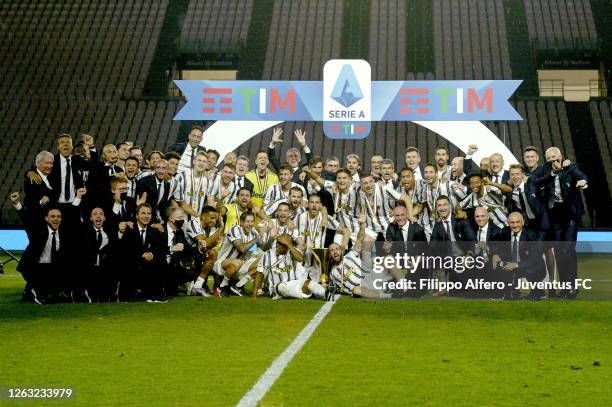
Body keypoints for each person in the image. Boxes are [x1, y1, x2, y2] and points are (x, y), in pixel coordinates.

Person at [542, 147, 588, 299]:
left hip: (570, 214)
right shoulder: (546, 171)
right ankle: (564, 288)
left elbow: (581, 176)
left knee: (568, 248)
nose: (552, 159)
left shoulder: (570, 167)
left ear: (560, 156)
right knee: (559, 250)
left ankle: (572, 288)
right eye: (548, 157)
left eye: (554, 156)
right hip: (554, 214)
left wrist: (583, 182)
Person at [254, 234, 331, 300]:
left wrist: (289, 245)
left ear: (287, 245)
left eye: (281, 243)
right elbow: (260, 272)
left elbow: (300, 259)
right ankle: (307, 293)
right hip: (277, 286)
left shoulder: (293, 251)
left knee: (308, 282)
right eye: (277, 242)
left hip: (294, 282)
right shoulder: (268, 254)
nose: (277, 245)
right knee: (282, 287)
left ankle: (325, 293)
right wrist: (254, 292)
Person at [492, 212, 546, 300]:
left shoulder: (531, 234)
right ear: (508, 223)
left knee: (532, 269)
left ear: (523, 223)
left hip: (529, 265)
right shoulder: (504, 232)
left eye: (518, 222)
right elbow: (496, 245)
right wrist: (496, 255)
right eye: (512, 222)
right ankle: (511, 290)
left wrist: (516, 265)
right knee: (500, 266)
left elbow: (535, 257)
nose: (515, 225)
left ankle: (537, 290)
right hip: (511, 263)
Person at [118, 204, 166, 302]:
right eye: (143, 213)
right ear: (136, 216)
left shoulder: (154, 231)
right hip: (131, 265)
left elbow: (159, 250)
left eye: (149, 213)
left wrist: (151, 255)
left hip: (147, 266)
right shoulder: (129, 229)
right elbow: (124, 252)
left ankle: (154, 294)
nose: (146, 216)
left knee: (159, 262)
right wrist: (142, 255)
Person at [213, 211, 266, 297]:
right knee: (237, 262)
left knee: (263, 260)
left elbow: (263, 247)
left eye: (252, 221)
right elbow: (241, 248)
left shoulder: (253, 232)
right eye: (247, 221)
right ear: (241, 222)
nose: (250, 224)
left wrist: (262, 234)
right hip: (222, 264)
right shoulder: (234, 229)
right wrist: (257, 238)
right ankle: (222, 287)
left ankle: (238, 286)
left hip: (241, 264)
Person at [79, 207, 119, 302]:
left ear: (104, 218)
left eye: (101, 214)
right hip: (89, 273)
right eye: (95, 214)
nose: (98, 216)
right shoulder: (84, 232)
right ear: (90, 218)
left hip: (106, 274)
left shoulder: (110, 234)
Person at [162, 208, 197, 296]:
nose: (183, 220)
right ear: (171, 218)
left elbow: (188, 249)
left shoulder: (179, 232)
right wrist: (171, 248)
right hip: (159, 265)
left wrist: (201, 248)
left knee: (192, 274)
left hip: (173, 267)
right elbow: (155, 250)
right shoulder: (159, 229)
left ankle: (171, 285)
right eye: (180, 217)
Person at [136, 159, 173, 224]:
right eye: (158, 168)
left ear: (167, 170)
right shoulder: (145, 182)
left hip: (160, 219)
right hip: (146, 218)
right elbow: (139, 205)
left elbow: (164, 206)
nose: (160, 171)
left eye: (163, 168)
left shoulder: (167, 185)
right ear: (155, 169)